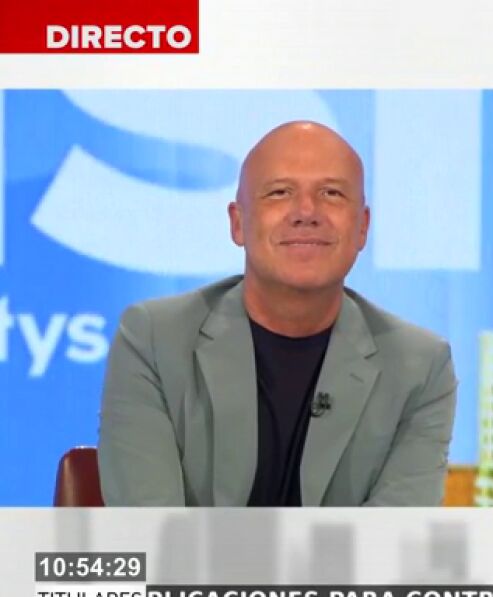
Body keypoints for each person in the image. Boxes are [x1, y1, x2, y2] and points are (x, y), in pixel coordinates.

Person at [98, 121, 457, 506]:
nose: (306, 212)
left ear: (362, 227)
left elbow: (393, 536)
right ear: (238, 222)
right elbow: (149, 527)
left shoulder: (420, 367)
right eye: (280, 192)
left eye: (332, 193)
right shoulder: (153, 340)